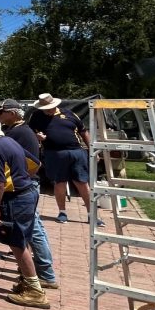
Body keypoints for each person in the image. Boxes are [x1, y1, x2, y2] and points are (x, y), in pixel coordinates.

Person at [0, 115, 53, 309]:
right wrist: (22, 178)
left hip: (14, 198)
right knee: (23, 239)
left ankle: (35, 290)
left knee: (17, 242)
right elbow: (36, 164)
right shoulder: (9, 141)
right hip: (28, 192)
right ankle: (29, 281)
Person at [0, 99, 59, 290]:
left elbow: (30, 163)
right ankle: (38, 270)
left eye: (1, 113)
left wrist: (19, 182)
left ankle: (45, 273)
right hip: (27, 183)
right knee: (33, 228)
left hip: (24, 186)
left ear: (12, 113)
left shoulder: (17, 133)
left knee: (33, 230)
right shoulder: (22, 130)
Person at [28, 93, 101, 226]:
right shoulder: (36, 116)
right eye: (45, 109)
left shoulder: (69, 114)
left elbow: (83, 131)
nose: (47, 111)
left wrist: (92, 149)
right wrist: (37, 136)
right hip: (54, 154)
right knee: (59, 182)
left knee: (82, 182)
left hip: (76, 152)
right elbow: (29, 132)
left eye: (49, 108)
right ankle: (62, 212)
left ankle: (92, 215)